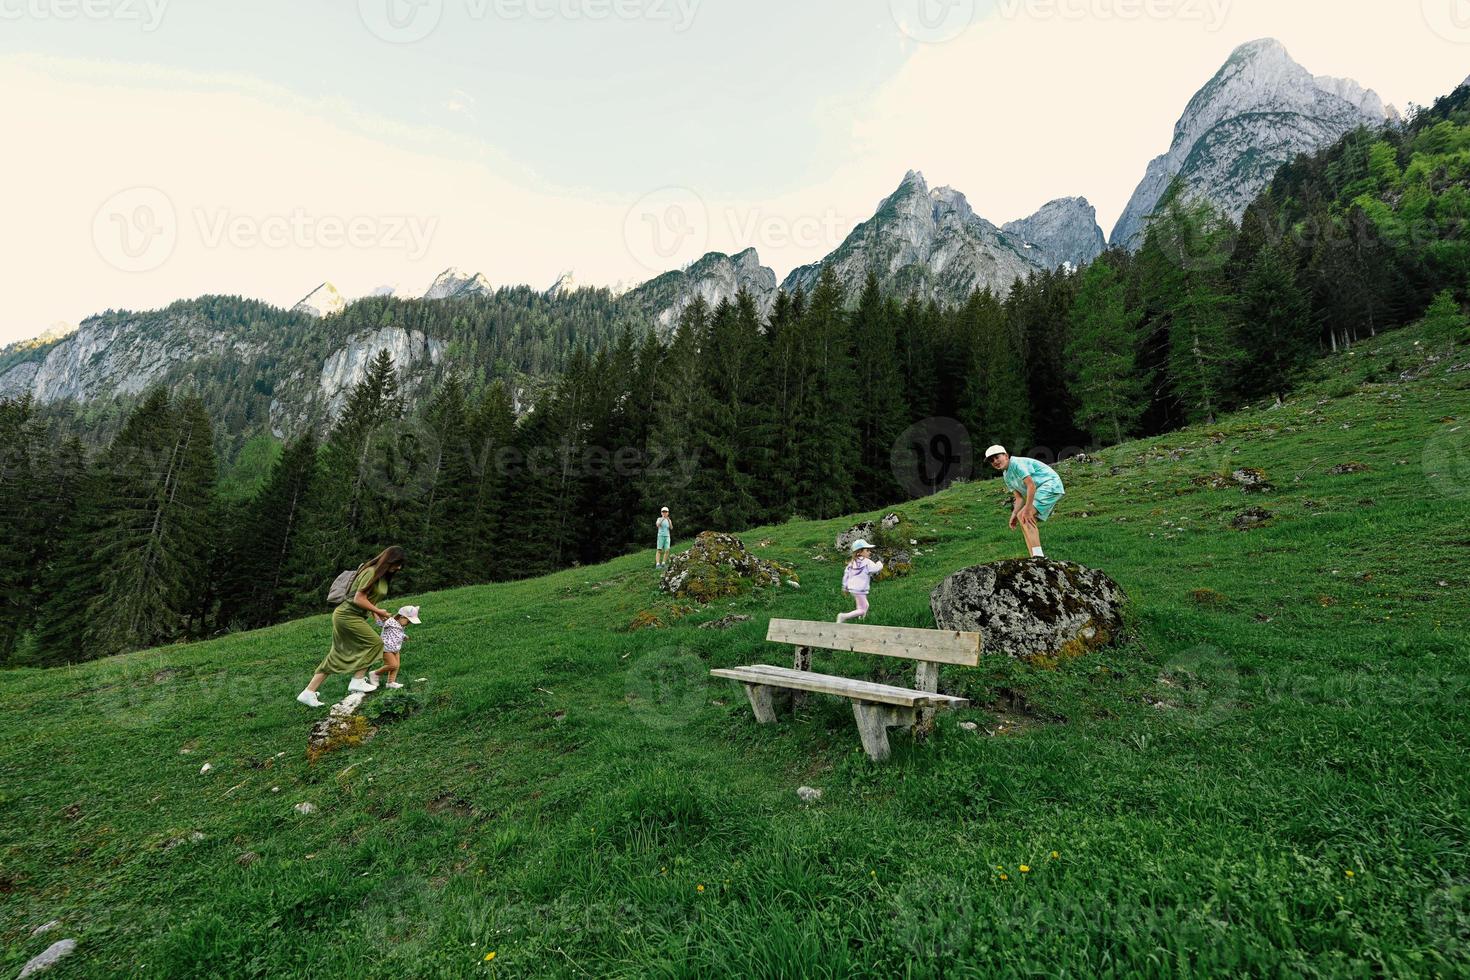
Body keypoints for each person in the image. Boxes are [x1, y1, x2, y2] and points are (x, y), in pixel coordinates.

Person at [296, 546, 406, 708]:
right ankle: (357, 680)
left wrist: (376, 613)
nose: (399, 567)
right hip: (347, 616)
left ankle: (308, 692)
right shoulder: (370, 572)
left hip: (352, 616)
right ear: (389, 560)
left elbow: (368, 599)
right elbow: (358, 598)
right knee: (375, 644)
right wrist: (377, 610)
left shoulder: (382, 576)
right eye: (397, 563)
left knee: (336, 654)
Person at [986, 445, 1065, 558]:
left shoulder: (1016, 463)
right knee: (1020, 515)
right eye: (991, 460)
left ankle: (1039, 557)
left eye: (997, 457)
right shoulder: (1006, 475)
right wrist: (1013, 515)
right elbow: (1019, 498)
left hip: (1050, 484)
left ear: (1006, 456)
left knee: (1026, 515)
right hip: (1041, 489)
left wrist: (1028, 509)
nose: (995, 461)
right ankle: (1033, 556)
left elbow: (1031, 485)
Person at [370, 605, 421, 690]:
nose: (409, 624)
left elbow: (397, 633)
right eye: (408, 621)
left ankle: (391, 683)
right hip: (386, 648)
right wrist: (375, 612)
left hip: (396, 648)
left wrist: (404, 636)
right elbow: (380, 622)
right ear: (401, 617)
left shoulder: (401, 625)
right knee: (392, 665)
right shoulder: (390, 621)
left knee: (396, 666)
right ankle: (375, 673)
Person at [837, 539, 884, 624]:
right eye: (867, 550)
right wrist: (880, 563)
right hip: (860, 589)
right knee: (862, 609)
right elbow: (876, 569)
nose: (869, 552)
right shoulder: (867, 562)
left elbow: (846, 575)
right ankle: (843, 616)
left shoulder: (852, 562)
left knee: (865, 605)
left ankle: (861, 620)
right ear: (859, 552)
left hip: (853, 588)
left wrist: (845, 587)